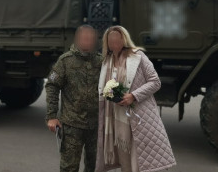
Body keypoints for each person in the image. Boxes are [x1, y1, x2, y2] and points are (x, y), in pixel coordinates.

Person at [96, 26, 176, 172]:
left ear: (124, 39)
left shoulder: (137, 56)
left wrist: (133, 96)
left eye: (117, 39)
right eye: (111, 39)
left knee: (141, 160)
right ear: (106, 42)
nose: (114, 42)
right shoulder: (106, 60)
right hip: (116, 117)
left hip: (138, 115)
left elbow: (155, 81)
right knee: (125, 159)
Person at [45, 25, 102, 172]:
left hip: (96, 125)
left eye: (90, 37)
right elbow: (52, 85)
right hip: (72, 125)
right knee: (69, 167)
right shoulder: (65, 61)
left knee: (95, 167)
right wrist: (51, 116)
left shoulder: (102, 61)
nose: (87, 40)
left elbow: (111, 88)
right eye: (84, 37)